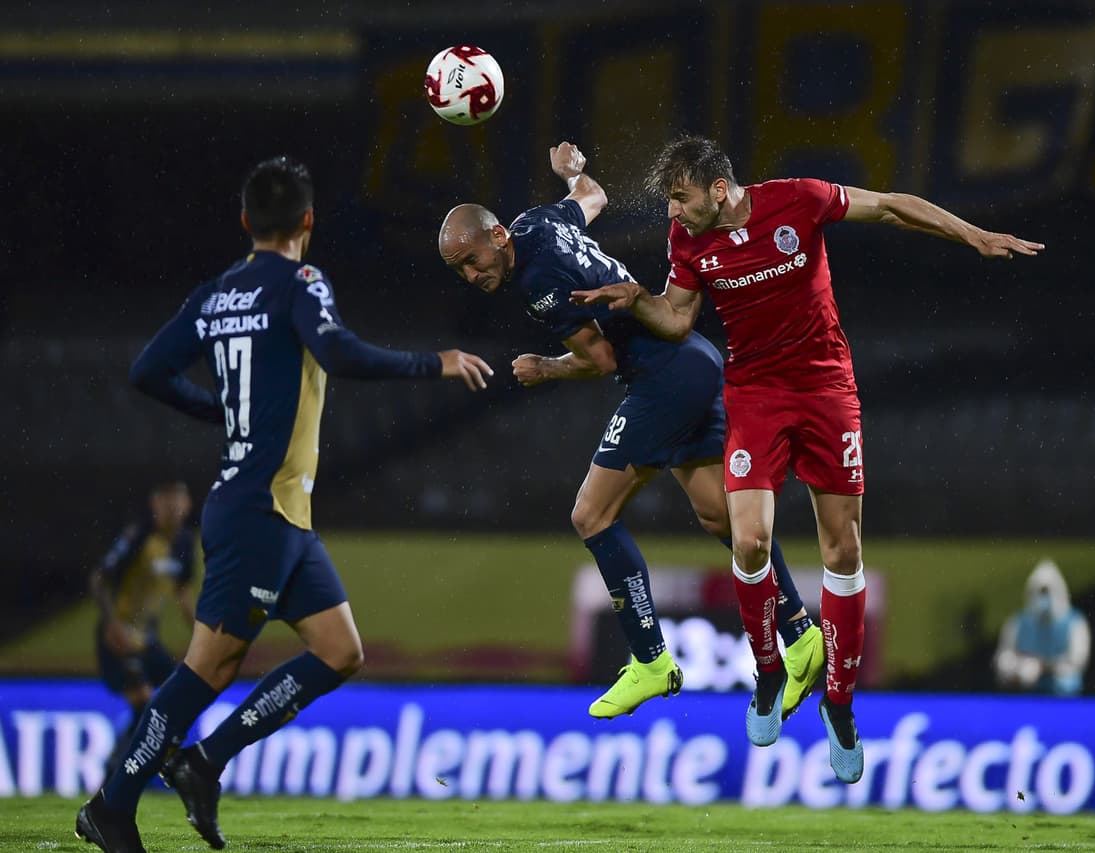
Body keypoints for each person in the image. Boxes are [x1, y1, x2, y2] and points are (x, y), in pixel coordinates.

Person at [573, 135, 1042, 782]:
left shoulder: (798, 200)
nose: (673, 214)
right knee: (749, 540)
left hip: (826, 389)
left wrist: (973, 235)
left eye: (680, 199)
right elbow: (678, 318)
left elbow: (891, 206)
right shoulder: (688, 242)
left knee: (842, 552)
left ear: (716, 189)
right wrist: (636, 299)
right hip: (755, 394)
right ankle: (770, 669)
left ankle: (840, 704)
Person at [75, 156, 492, 853]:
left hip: (280, 515)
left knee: (339, 650)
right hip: (257, 510)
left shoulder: (216, 292)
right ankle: (112, 804)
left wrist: (216, 411)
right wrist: (433, 362)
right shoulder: (301, 280)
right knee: (207, 669)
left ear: (245, 222)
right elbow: (335, 349)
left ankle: (204, 762)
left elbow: (148, 369)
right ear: (307, 221)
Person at [437, 142, 824, 722]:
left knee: (590, 516)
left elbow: (600, 362)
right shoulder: (534, 224)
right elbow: (591, 197)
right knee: (722, 517)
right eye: (458, 271)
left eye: (471, 260)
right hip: (694, 361)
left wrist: (547, 368)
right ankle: (799, 632)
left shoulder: (537, 284)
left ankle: (649, 659)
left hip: (660, 377)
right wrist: (574, 172)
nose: (471, 276)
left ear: (496, 239)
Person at [90, 481, 198, 780]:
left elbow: (183, 593)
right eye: (166, 499)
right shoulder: (139, 535)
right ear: (155, 503)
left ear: (188, 504)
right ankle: (116, 772)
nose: (173, 506)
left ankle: (129, 767)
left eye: (178, 498)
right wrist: (112, 623)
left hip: (147, 642)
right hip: (118, 638)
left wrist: (204, 638)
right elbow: (99, 578)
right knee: (144, 700)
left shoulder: (185, 543)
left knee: (181, 694)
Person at [993, 559, 1090, 695]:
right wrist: (1017, 667)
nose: (1045, 598)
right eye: (1039, 592)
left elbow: (1077, 661)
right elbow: (1003, 656)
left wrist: (1043, 667)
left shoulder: (1075, 622)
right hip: (1025, 687)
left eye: (1048, 592)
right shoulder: (1017, 622)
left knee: (1066, 683)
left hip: (1061, 688)